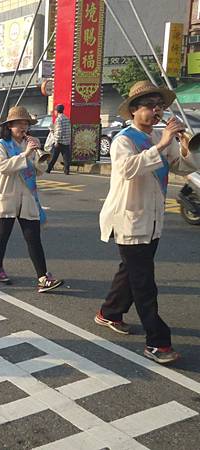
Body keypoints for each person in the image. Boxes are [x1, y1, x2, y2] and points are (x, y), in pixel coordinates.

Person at [97, 81, 200, 364]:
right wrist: (164, 142)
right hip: (129, 220)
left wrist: (183, 146)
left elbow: (181, 167)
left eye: (159, 106)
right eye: (150, 106)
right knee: (144, 284)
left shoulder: (157, 137)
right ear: (133, 110)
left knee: (130, 273)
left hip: (152, 220)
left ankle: (109, 312)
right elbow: (128, 169)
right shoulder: (124, 140)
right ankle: (157, 342)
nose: (156, 111)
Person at [0, 106, 63, 293]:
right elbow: (4, 167)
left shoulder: (29, 143)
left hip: (28, 196)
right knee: (2, 236)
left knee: (33, 238)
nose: (23, 127)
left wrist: (39, 155)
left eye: (25, 124)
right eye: (19, 124)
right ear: (10, 126)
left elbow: (39, 171)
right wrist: (25, 154)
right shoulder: (1, 145)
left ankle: (43, 277)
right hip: (7, 195)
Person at [46, 104, 72, 175]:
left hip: (59, 142)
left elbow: (59, 131)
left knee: (53, 156)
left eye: (55, 111)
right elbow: (69, 130)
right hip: (66, 141)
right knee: (66, 157)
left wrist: (56, 141)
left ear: (57, 111)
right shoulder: (67, 118)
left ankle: (48, 169)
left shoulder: (59, 119)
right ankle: (66, 171)